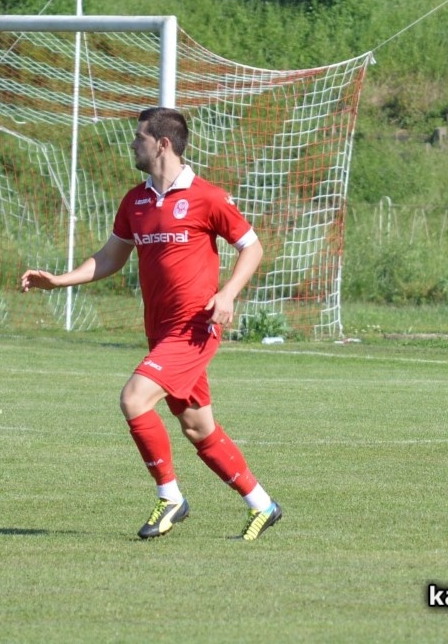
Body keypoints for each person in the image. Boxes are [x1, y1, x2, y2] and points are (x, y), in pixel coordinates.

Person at [20, 107, 281, 541]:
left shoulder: (208, 197)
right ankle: (262, 504)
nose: (132, 144)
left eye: (139, 137)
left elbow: (252, 248)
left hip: (194, 329)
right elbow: (110, 257)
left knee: (134, 398)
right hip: (159, 331)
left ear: (162, 144)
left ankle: (170, 497)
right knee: (198, 427)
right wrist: (60, 280)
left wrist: (227, 294)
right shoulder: (135, 201)